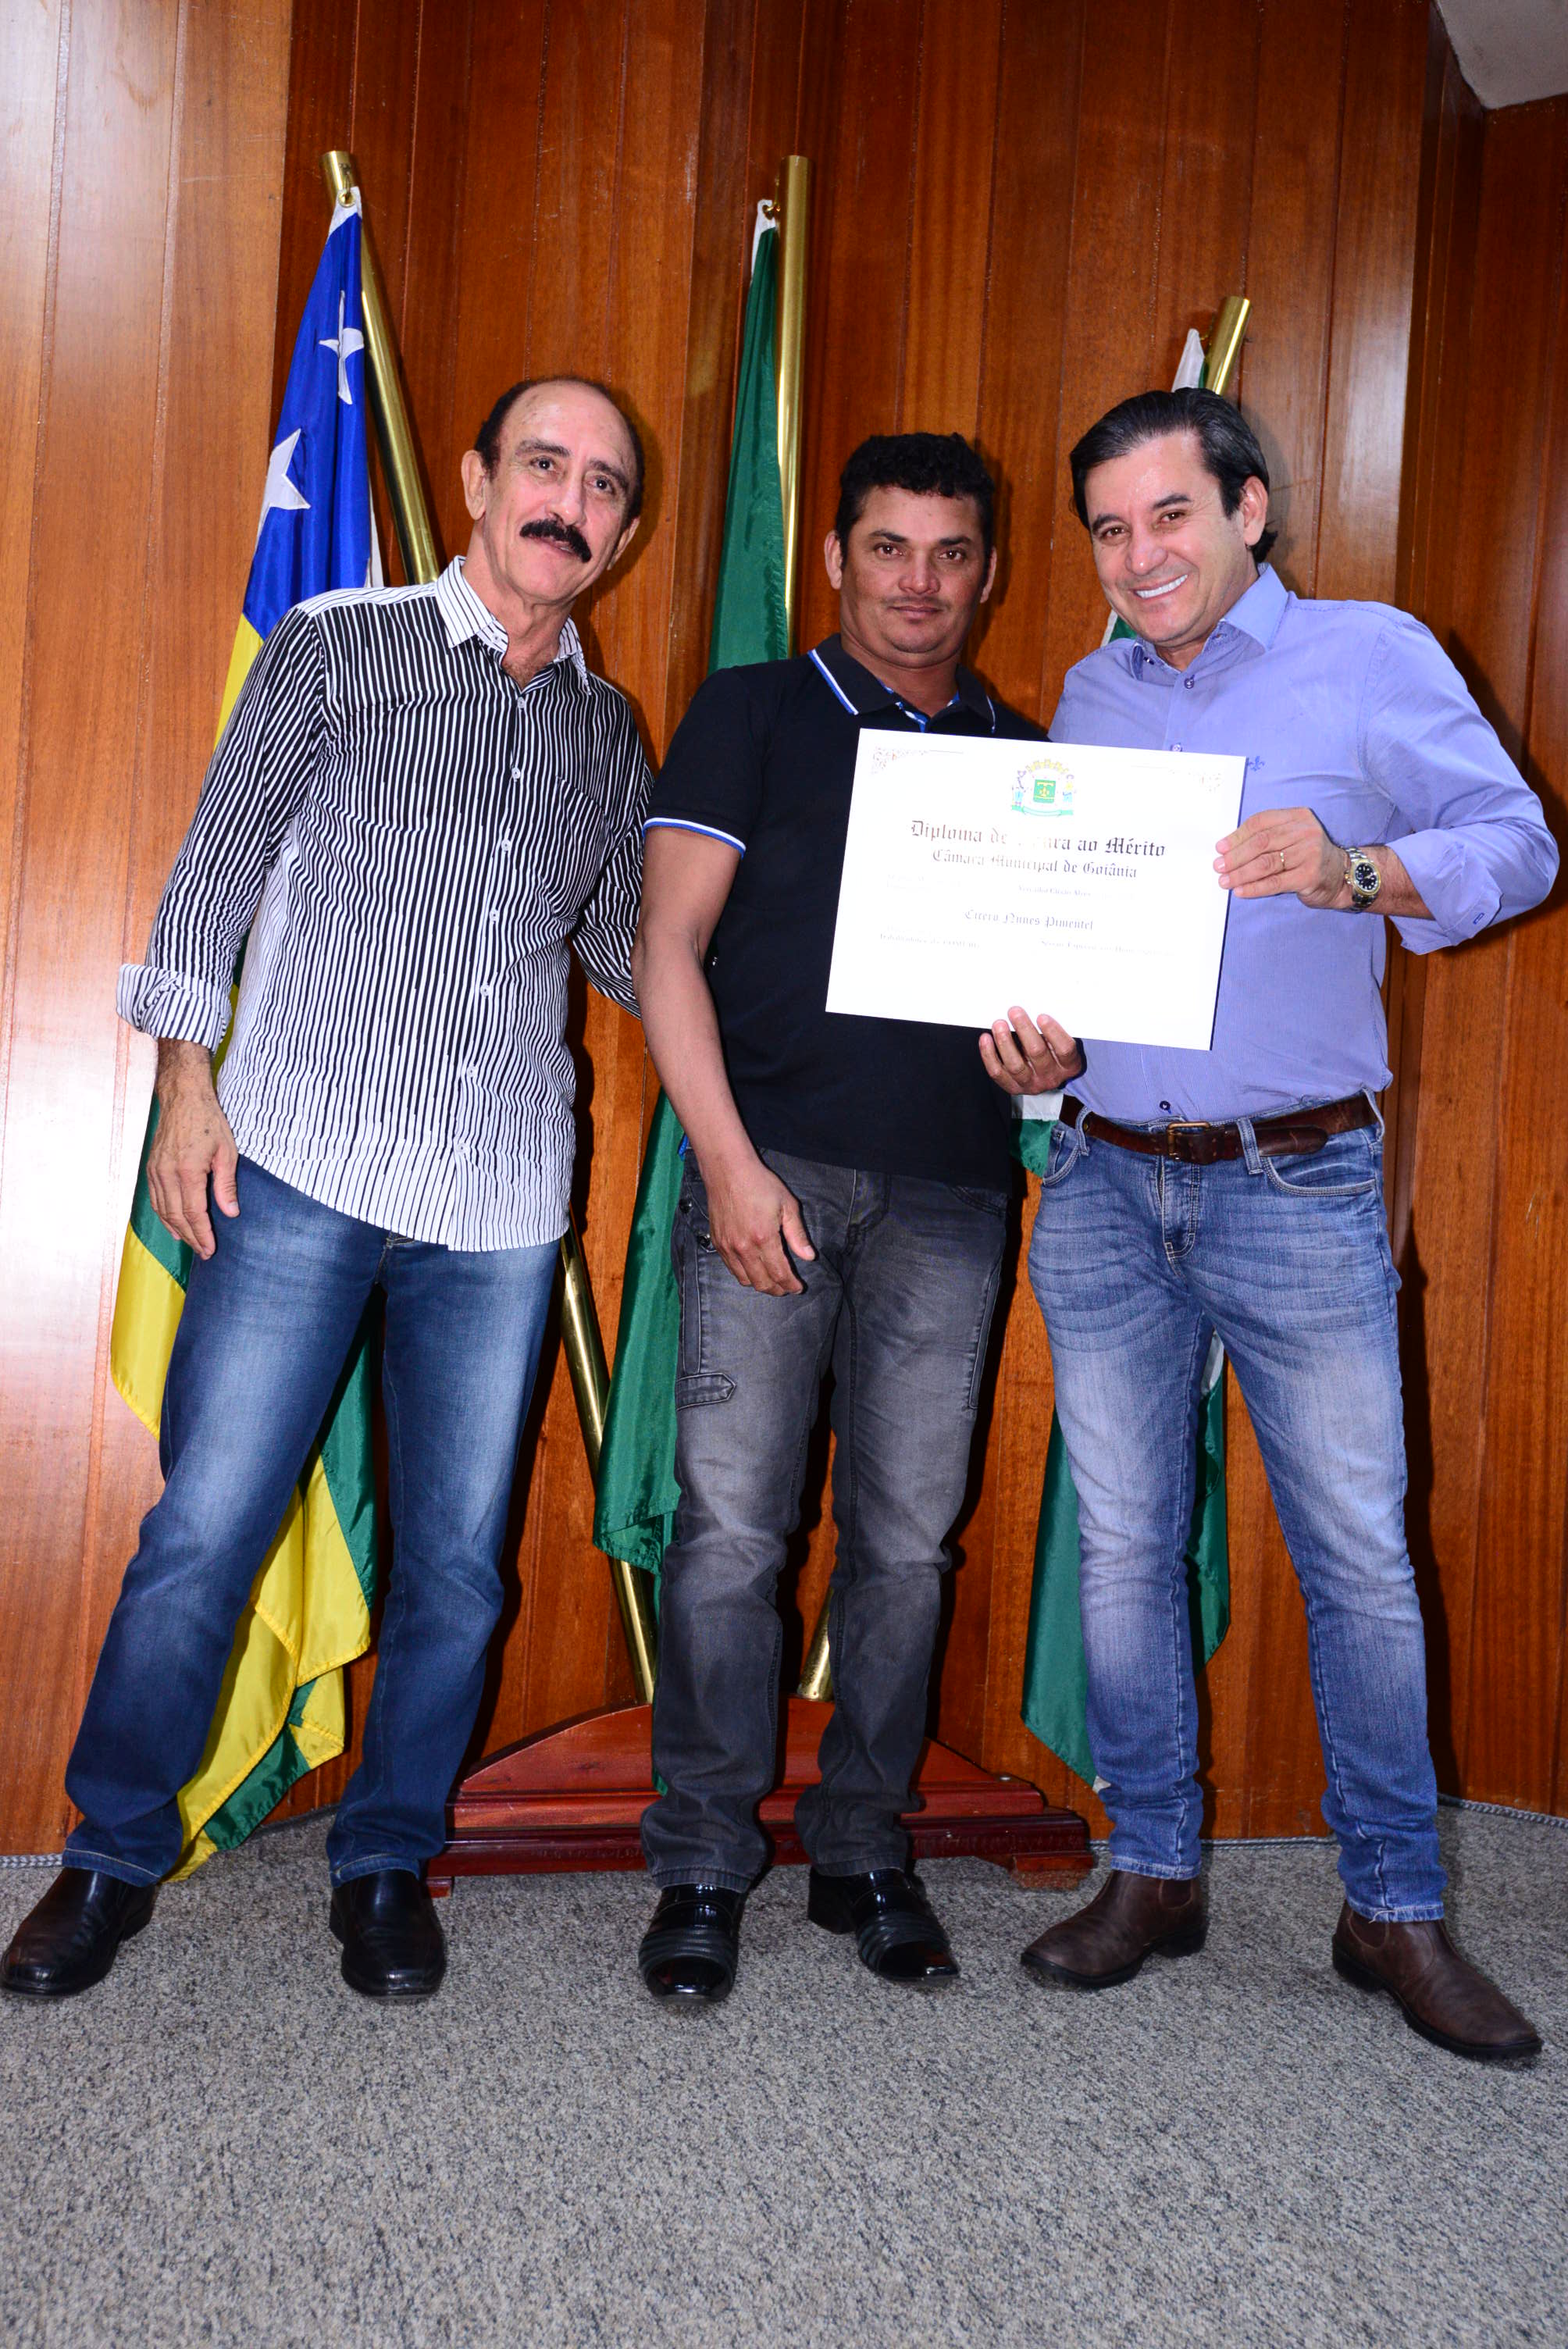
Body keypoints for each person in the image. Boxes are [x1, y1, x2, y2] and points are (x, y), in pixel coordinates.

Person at [3, 378, 650, 2005]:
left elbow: (631, 952)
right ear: (477, 479)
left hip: (498, 1204)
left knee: (459, 1569)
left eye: (602, 485)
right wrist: (186, 1087)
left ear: (625, 532)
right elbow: (212, 873)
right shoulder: (336, 645)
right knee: (205, 1531)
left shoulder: (609, 731)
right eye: (544, 465)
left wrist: (820, 949)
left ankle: (385, 1861)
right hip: (296, 1165)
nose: (567, 503)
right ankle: (109, 1855)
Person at [1002, 387, 1556, 2062]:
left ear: (1249, 508)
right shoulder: (1087, 695)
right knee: (1122, 1550)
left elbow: (1519, 846)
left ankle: (1389, 1904)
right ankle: (1152, 1870)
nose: (1139, 556)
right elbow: (1063, 941)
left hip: (1294, 1185)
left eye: (1169, 515)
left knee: (1358, 1562)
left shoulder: (1371, 654)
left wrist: (1350, 871)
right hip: (1100, 1179)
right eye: (1110, 530)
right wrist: (1034, 1053)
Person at [630, 432, 1082, 2005]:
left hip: (952, 1193)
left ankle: (861, 1847)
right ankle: (700, 1860)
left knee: (904, 1543)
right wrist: (727, 1165)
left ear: (989, 571)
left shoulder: (1030, 759)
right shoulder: (752, 710)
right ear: (833, 558)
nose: (919, 582)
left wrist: (1052, 1063)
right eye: (888, 547)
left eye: (951, 553)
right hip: (770, 1173)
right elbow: (664, 947)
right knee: (730, 1535)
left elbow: (1057, 1009)